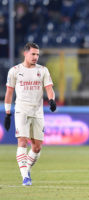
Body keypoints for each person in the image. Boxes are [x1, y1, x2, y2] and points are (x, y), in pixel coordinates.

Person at [4, 42, 56, 186]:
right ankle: (25, 177)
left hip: (37, 111)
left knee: (37, 147)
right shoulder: (14, 71)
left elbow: (49, 88)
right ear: (25, 53)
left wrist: (51, 100)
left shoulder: (43, 70)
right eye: (33, 54)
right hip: (22, 110)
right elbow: (9, 93)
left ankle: (26, 168)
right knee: (22, 141)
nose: (35, 57)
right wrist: (8, 113)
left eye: (37, 54)